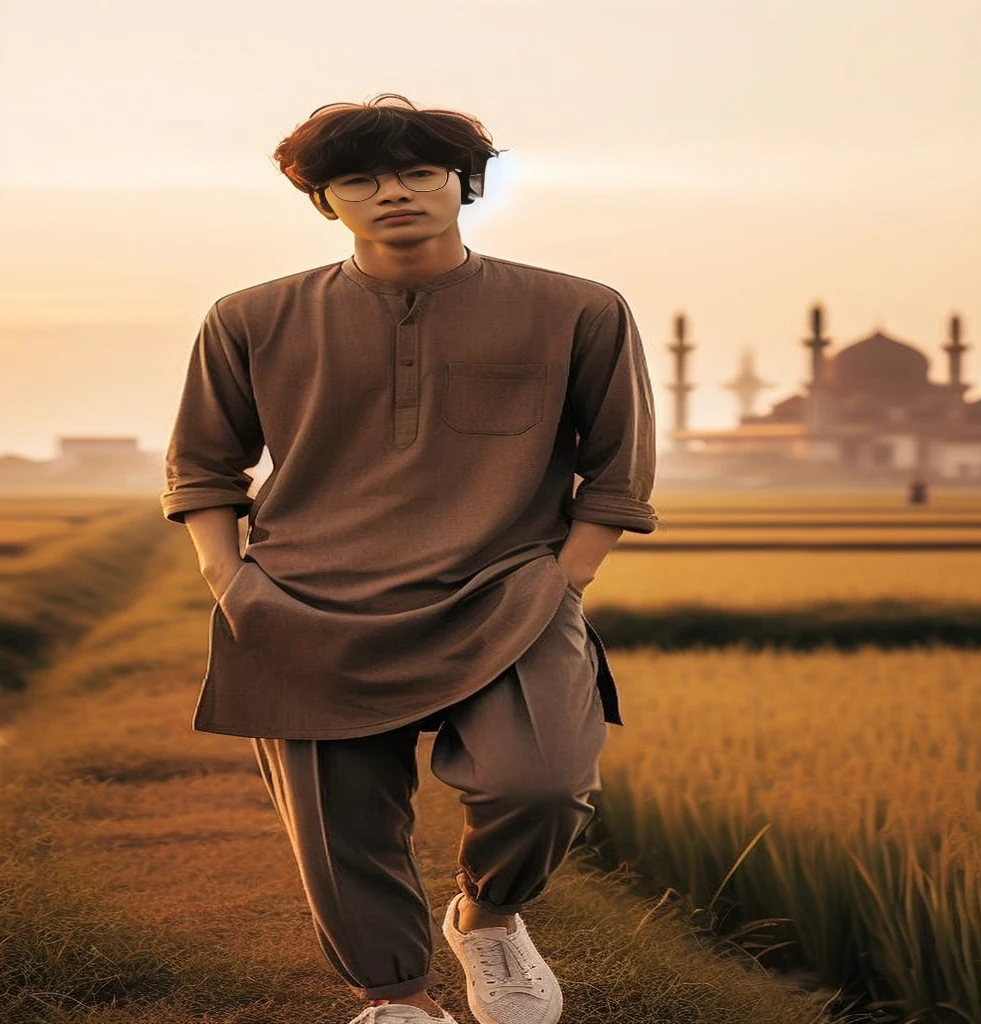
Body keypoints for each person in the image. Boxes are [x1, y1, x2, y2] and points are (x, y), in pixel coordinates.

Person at [159, 93, 659, 1024]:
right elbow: (202, 465)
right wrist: (231, 582)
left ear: (463, 186)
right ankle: (396, 998)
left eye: (419, 172)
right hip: (304, 602)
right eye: (359, 179)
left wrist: (565, 578)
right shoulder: (249, 318)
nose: (392, 193)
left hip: (507, 591)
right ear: (326, 201)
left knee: (542, 784)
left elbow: (619, 472)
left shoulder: (579, 308)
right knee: (339, 826)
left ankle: (490, 915)